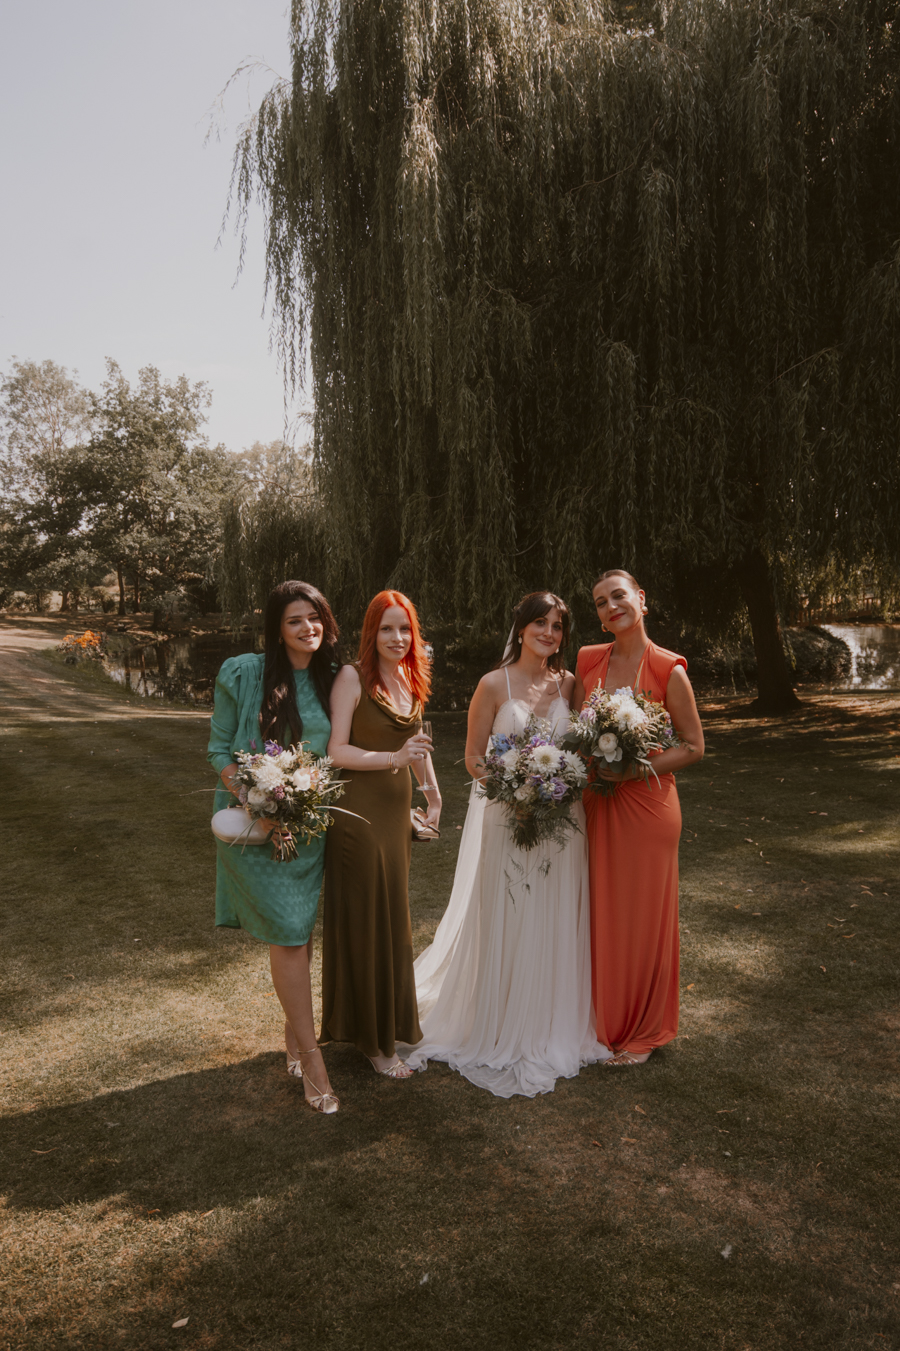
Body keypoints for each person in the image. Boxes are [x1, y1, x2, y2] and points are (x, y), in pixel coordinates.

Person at [402, 592, 609, 1097]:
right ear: (520, 628)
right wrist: (513, 788)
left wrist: (556, 784)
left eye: (557, 626)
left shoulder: (570, 684)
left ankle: (551, 1019)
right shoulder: (493, 684)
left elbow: (578, 750)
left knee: (555, 911)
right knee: (511, 910)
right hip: (507, 816)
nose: (549, 633)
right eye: (540, 623)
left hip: (563, 820)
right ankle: (499, 1018)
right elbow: (473, 757)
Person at [208, 580, 342, 1114]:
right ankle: (312, 1061)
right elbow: (219, 749)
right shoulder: (244, 673)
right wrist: (256, 799)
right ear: (276, 628)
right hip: (259, 828)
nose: (308, 628)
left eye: (314, 617)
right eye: (294, 620)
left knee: (300, 934)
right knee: (289, 934)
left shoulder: (337, 678)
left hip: (311, 830)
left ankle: (293, 1038)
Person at [573, 569, 705, 1067]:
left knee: (644, 918)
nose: (611, 607)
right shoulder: (588, 660)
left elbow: (693, 746)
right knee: (602, 913)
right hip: (597, 802)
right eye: (600, 602)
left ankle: (644, 1032)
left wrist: (633, 769)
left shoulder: (669, 669)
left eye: (619, 596)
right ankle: (602, 1022)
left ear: (641, 600)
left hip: (648, 806)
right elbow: (574, 731)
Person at [320, 591, 440, 1078]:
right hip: (358, 815)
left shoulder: (411, 677)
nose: (397, 638)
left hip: (394, 818)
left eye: (405, 628)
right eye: (387, 628)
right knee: (368, 922)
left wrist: (433, 796)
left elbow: (418, 746)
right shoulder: (353, 677)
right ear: (371, 632)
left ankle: (385, 1024)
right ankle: (375, 1045)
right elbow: (336, 750)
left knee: (391, 919)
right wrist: (394, 760)